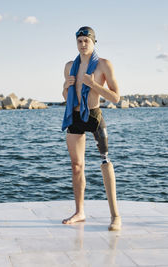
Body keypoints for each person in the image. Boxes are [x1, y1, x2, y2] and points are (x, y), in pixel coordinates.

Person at [61, 26, 121, 231]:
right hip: (75, 116)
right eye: (80, 41)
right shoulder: (70, 66)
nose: (83, 44)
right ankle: (80, 211)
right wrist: (66, 87)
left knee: (105, 161)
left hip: (94, 115)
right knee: (76, 166)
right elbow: (65, 96)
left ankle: (115, 216)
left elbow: (115, 97)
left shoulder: (103, 65)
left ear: (94, 42)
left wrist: (93, 84)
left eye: (87, 40)